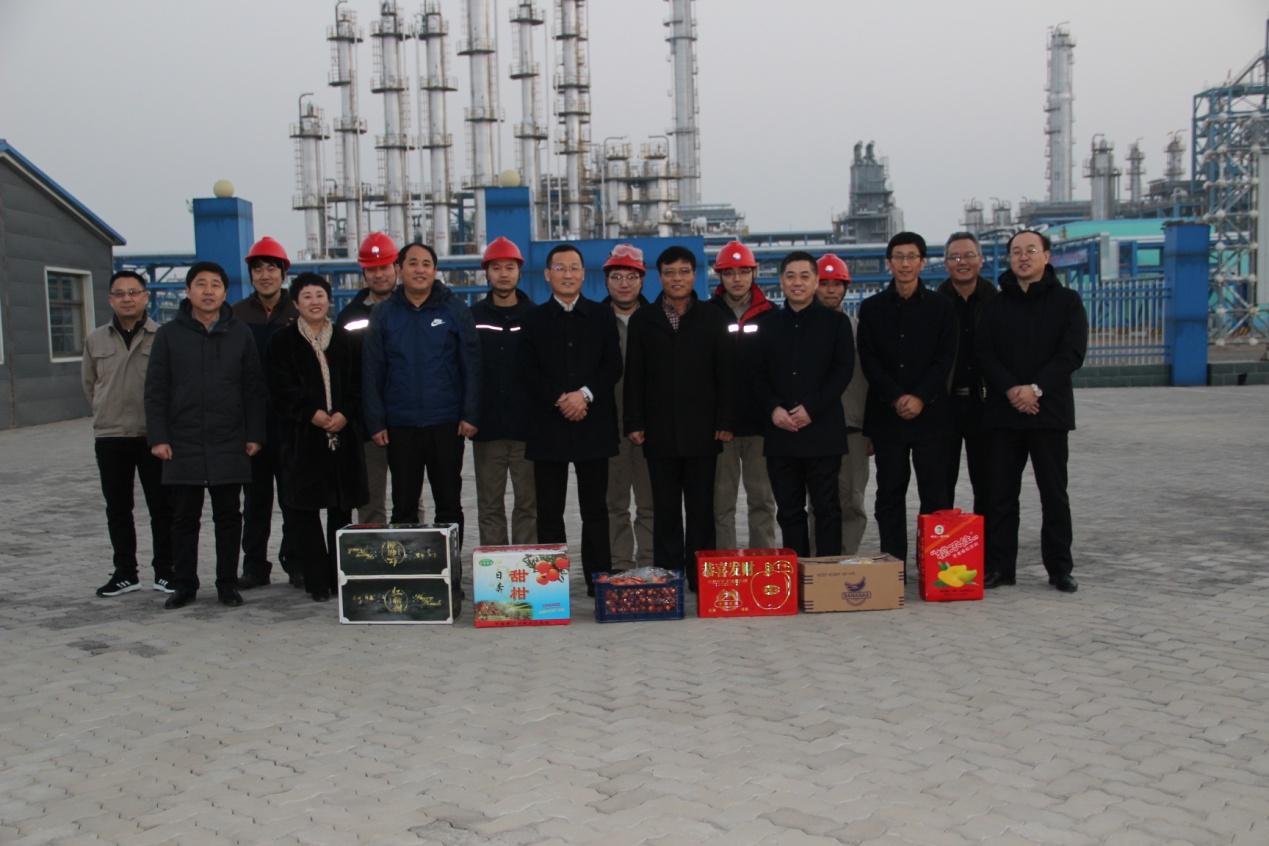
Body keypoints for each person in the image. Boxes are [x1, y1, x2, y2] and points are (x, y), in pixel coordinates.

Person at [362, 242, 479, 607]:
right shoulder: (384, 313)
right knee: (403, 505)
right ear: (400, 269)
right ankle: (407, 578)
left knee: (449, 504)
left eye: (426, 263)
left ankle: (451, 576)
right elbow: (372, 371)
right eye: (412, 263)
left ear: (435, 270)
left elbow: (471, 366)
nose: (419, 269)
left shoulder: (454, 310)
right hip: (401, 424)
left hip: (446, 422)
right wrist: (376, 420)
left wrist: (470, 413)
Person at [145, 262, 266, 609]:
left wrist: (255, 434)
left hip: (229, 439)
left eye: (215, 285)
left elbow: (253, 388)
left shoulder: (240, 333)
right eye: (201, 284)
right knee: (184, 518)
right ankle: (185, 585)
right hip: (182, 441)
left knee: (229, 517)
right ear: (188, 291)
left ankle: (227, 584)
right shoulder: (169, 335)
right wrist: (159, 437)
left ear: (225, 293)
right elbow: (156, 390)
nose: (208, 291)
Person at [977, 230, 1088, 593]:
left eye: (1030, 251)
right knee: (1000, 495)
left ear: (1046, 256)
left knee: (1053, 494)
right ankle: (1000, 567)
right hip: (1003, 413)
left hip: (1049, 411)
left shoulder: (1067, 302)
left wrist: (1035, 389)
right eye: (1016, 252)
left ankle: (1059, 568)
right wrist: (1012, 390)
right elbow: (985, 354)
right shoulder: (995, 304)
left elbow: (1071, 353)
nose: (1023, 257)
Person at [625, 246, 733, 589]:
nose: (677, 279)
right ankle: (669, 579)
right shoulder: (644, 319)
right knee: (665, 510)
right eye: (669, 273)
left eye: (684, 272)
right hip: (659, 431)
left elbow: (726, 373)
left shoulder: (713, 316)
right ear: (659, 277)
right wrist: (634, 422)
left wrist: (725, 420)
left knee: (702, 509)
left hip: (704, 431)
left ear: (694, 275)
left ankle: (702, 579)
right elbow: (634, 375)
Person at [521, 243, 622, 595]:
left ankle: (598, 579)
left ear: (583, 274)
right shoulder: (532, 318)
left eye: (574, 268)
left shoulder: (601, 316)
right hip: (548, 425)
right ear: (547, 275)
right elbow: (527, 370)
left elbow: (612, 365)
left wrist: (585, 395)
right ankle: (552, 583)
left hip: (593, 423)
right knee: (549, 509)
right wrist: (560, 398)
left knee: (595, 508)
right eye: (560, 268)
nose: (567, 274)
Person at [857, 231, 956, 569]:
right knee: (889, 493)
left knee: (935, 495)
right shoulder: (872, 309)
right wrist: (897, 396)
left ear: (922, 262)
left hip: (931, 416)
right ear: (889, 263)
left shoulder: (942, 308)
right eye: (898, 257)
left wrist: (920, 397)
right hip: (888, 416)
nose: (905, 263)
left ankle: (936, 567)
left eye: (911, 257)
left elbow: (945, 359)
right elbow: (870, 360)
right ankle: (893, 565)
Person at [269, 273, 369, 602]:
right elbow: (279, 388)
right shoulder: (282, 342)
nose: (315, 302)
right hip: (302, 438)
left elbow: (358, 385)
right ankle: (316, 580)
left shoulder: (345, 340)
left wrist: (344, 414)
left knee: (340, 511)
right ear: (296, 303)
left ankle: (339, 576)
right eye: (307, 296)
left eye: (320, 295)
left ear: (329, 300)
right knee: (305, 513)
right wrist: (311, 413)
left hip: (342, 437)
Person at [756, 250, 854, 558]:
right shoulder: (767, 324)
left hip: (822, 430)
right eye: (790, 276)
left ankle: (826, 572)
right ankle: (795, 572)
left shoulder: (836, 323)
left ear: (815, 282)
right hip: (781, 432)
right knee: (788, 511)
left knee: (827, 508)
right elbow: (756, 374)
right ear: (781, 281)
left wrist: (811, 409)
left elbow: (842, 372)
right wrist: (774, 408)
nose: (797, 283)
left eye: (804, 276)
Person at [83, 270, 174, 596]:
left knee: (162, 508)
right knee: (118, 508)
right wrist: (105, 409)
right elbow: (90, 384)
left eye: (133, 292)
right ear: (110, 299)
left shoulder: (163, 336)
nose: (127, 299)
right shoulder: (95, 339)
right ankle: (125, 573)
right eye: (120, 293)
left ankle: (165, 571)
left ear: (145, 297)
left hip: (153, 436)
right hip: (111, 435)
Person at [336, 231, 418, 525]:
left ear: (396, 268)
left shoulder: (414, 308)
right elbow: (344, 372)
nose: (379, 275)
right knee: (369, 500)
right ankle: (372, 553)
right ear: (364, 273)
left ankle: (414, 551)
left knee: (410, 499)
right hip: (365, 424)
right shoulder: (349, 316)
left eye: (384, 267)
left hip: (407, 419)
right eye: (372, 269)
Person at [233, 236, 300, 590]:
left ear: (283, 273)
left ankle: (297, 562)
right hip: (253, 424)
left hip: (291, 423)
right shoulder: (237, 315)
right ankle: (255, 566)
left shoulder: (298, 311)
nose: (264, 275)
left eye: (272, 268)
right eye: (257, 269)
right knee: (255, 501)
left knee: (294, 500)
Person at [708, 240, 777, 550]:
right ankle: (724, 565)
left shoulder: (771, 315)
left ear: (754, 272)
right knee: (721, 503)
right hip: (720, 430)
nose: (737, 279)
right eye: (729, 272)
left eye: (743, 271)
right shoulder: (708, 315)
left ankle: (764, 563)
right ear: (719, 276)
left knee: (762, 500)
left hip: (761, 427)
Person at [470, 236, 536, 545]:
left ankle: (525, 562)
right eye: (496, 268)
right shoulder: (473, 317)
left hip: (528, 430)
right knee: (489, 505)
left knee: (528, 505)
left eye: (510, 267)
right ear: (486, 272)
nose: (504, 274)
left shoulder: (535, 316)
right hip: (487, 429)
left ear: (519, 271)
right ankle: (495, 564)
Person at [937, 232, 997, 517]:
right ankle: (941, 541)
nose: (962, 262)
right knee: (939, 486)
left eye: (969, 255)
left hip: (985, 403)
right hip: (944, 405)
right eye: (955, 257)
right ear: (946, 263)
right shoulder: (935, 304)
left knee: (989, 485)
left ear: (981, 260)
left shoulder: (997, 301)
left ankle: (988, 543)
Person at [814, 253, 871, 554]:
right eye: (824, 283)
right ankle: (815, 562)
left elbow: (872, 381)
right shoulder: (803, 330)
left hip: (853, 428)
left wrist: (871, 429)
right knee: (818, 501)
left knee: (851, 500)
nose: (831, 290)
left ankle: (845, 560)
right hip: (812, 428)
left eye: (837, 284)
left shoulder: (860, 331)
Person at [602, 244, 654, 569]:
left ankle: (650, 561)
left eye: (631, 277)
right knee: (614, 502)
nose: (624, 283)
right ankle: (620, 563)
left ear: (642, 280)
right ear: (607, 280)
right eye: (617, 276)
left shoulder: (657, 319)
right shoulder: (594, 320)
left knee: (651, 501)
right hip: (608, 426)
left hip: (650, 427)